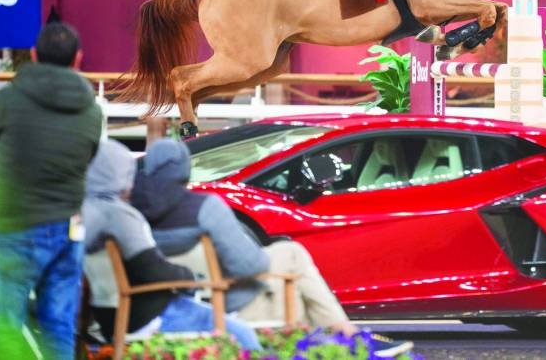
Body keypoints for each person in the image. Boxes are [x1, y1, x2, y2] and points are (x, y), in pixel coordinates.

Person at [130, 138, 413, 358]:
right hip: (227, 304)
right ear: (184, 168)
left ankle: (341, 336)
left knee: (289, 258)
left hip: (169, 303)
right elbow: (249, 266)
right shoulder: (204, 207)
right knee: (292, 258)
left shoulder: (131, 211)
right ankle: (346, 336)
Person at [0, 22, 103, 360]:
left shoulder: (10, 99)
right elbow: (88, 155)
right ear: (78, 59)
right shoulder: (92, 110)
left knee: (5, 326)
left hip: (14, 225)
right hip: (67, 227)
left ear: (33, 55)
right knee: (59, 325)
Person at [81, 138, 260, 351]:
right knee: (242, 334)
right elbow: (151, 269)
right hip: (149, 314)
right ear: (119, 174)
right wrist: (188, 276)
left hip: (108, 318)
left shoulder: (81, 213)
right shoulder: (121, 217)